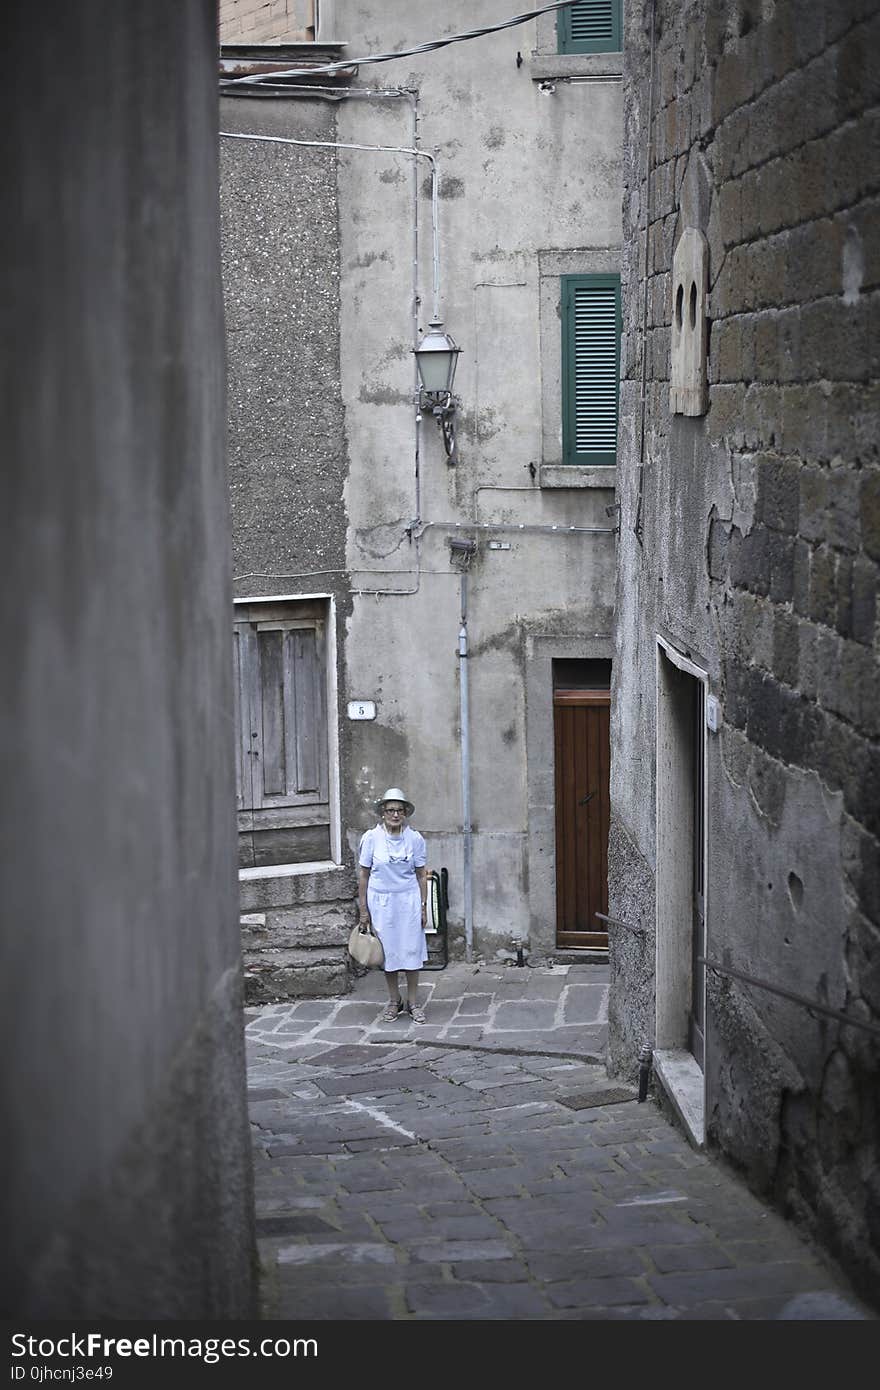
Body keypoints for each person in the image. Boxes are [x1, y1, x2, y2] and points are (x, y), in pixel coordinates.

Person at [357, 788, 428, 1023]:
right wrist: (364, 911)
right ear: (383, 813)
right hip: (382, 902)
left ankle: (413, 1002)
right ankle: (393, 1000)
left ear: (406, 813)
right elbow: (364, 876)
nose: (395, 815)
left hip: (408, 901)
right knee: (388, 954)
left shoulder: (415, 839)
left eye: (399, 810)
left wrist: (424, 906)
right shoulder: (371, 838)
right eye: (390, 810)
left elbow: (420, 875)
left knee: (411, 951)